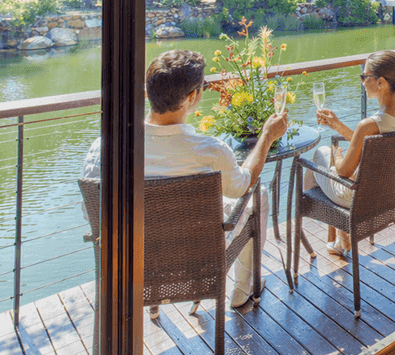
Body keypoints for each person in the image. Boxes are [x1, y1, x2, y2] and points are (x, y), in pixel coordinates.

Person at [82, 49, 288, 308]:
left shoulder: (104, 148)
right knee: (259, 196)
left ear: (149, 92)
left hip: (129, 265)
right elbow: (242, 185)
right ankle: (242, 290)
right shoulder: (209, 150)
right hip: (194, 260)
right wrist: (267, 137)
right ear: (193, 96)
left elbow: (90, 211)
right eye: (203, 87)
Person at [305, 50, 395, 258]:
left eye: (364, 77)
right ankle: (341, 238)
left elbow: (343, 170)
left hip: (362, 199)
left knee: (319, 156)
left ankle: (339, 235)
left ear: (381, 83)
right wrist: (338, 125)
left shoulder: (368, 125)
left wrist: (336, 154)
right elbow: (372, 139)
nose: (362, 82)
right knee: (329, 163)